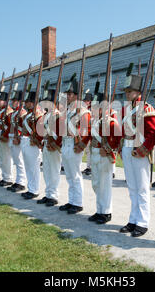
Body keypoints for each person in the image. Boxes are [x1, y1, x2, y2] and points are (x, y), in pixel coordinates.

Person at [119, 71, 155, 237]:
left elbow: (153, 132)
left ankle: (143, 221)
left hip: (139, 150)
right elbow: (122, 130)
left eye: (130, 91)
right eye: (126, 91)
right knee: (132, 187)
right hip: (127, 149)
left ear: (138, 92)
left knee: (142, 188)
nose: (127, 94)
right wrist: (121, 147)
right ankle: (133, 219)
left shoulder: (147, 108)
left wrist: (144, 149)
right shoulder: (126, 109)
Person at [58, 75, 91, 214]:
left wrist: (81, 145)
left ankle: (77, 203)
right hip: (66, 143)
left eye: (70, 94)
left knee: (75, 174)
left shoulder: (83, 111)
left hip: (74, 145)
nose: (68, 96)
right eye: (67, 94)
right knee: (69, 175)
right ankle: (71, 200)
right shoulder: (68, 111)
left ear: (77, 96)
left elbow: (86, 130)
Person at [88, 84, 121, 224]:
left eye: (97, 107)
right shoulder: (95, 121)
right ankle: (99, 209)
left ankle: (106, 212)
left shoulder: (110, 120)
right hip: (95, 153)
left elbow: (118, 137)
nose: (94, 109)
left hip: (104, 156)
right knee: (96, 183)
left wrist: (107, 148)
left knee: (104, 184)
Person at [38, 89, 62, 206]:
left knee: (54, 171)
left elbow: (60, 132)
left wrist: (55, 143)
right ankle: (48, 193)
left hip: (53, 146)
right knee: (47, 170)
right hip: (46, 144)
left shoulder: (57, 115)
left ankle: (53, 195)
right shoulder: (46, 115)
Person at [19, 91, 44, 200]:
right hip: (25, 141)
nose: (26, 103)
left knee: (34, 167)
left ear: (33, 102)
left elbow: (41, 130)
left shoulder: (38, 113)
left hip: (32, 142)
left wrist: (37, 140)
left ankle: (34, 190)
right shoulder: (29, 113)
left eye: (28, 102)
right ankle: (30, 188)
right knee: (28, 167)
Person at [5, 89, 27, 193]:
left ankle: (21, 182)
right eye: (12, 100)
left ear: (19, 101)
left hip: (18, 139)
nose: (12, 102)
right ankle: (18, 181)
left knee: (19, 161)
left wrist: (18, 137)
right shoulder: (14, 113)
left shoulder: (22, 112)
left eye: (14, 100)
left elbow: (24, 127)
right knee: (16, 161)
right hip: (13, 138)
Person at [0, 88, 14, 187]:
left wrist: (5, 136)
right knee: (2, 158)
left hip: (5, 137)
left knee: (7, 158)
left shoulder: (8, 111)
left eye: (0, 100)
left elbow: (11, 125)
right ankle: (4, 177)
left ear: (6, 101)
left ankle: (8, 178)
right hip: (1, 136)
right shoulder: (2, 111)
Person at [82, 91, 93, 176]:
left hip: (90, 132)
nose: (85, 102)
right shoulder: (84, 109)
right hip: (84, 132)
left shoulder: (92, 110)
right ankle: (88, 166)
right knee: (86, 150)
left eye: (86, 100)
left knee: (89, 151)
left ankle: (90, 167)